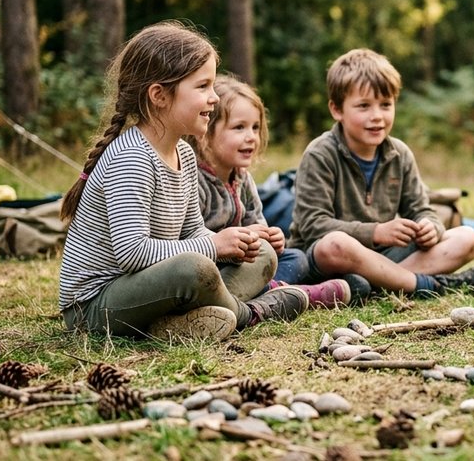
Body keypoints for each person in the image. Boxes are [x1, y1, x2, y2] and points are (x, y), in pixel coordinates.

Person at [57, 21, 343, 342]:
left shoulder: (184, 153)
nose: (214, 99)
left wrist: (233, 245)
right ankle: (252, 313)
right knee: (194, 269)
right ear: (159, 96)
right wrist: (213, 245)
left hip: (153, 288)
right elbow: (132, 253)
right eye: (203, 87)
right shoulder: (132, 158)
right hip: (95, 307)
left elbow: (192, 231)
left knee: (261, 252)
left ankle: (184, 322)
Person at [289, 48, 474, 299]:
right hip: (328, 261)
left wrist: (430, 227)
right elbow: (313, 226)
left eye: (385, 105)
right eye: (364, 106)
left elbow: (422, 209)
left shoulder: (400, 154)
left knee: (468, 238)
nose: (377, 116)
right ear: (337, 110)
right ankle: (430, 285)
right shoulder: (320, 154)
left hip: (382, 258)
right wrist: (376, 231)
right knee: (335, 244)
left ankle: (374, 288)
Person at [190, 74, 353, 303]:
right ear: (206, 135)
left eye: (255, 128)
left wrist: (272, 238)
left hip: (246, 266)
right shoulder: (195, 180)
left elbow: (258, 229)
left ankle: (271, 291)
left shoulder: (243, 179)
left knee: (295, 257)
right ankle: (279, 295)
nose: (251, 137)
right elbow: (191, 240)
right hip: (211, 268)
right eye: (239, 128)